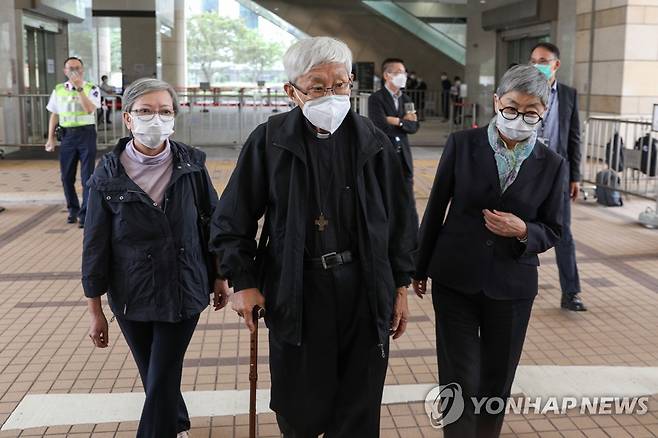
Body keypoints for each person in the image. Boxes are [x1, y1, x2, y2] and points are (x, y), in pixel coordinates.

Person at [211, 37, 418, 437]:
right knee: (300, 407)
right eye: (318, 87)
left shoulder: (372, 141)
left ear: (352, 83)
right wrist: (244, 282)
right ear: (292, 91)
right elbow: (231, 220)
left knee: (358, 408)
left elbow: (401, 221)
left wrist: (401, 285)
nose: (332, 95)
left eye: (340, 85)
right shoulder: (270, 140)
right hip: (297, 288)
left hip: (364, 286)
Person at [413, 65, 566, 438]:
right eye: (512, 108)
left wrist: (523, 231)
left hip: (513, 285)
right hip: (456, 278)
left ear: (543, 113)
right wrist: (418, 267)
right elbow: (436, 208)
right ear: (497, 101)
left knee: (496, 381)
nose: (519, 118)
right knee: (459, 378)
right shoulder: (462, 144)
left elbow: (555, 229)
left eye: (531, 112)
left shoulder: (553, 164)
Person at [81, 78, 227, 438]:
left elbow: (213, 224)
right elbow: (95, 244)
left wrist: (221, 276)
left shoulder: (191, 164)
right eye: (145, 112)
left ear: (174, 117)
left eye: (164, 111)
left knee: (162, 373)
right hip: (132, 294)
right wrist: (95, 309)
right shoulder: (106, 175)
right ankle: (176, 422)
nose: (155, 119)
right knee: (155, 373)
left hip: (185, 288)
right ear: (128, 119)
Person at [529, 42, 586, 311]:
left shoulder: (569, 95)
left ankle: (571, 293)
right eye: (533, 60)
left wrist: (575, 176)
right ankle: (518, 286)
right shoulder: (523, 89)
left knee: (563, 233)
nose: (537, 64)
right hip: (526, 171)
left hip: (557, 173)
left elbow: (574, 138)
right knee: (522, 229)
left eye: (543, 60)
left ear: (556, 64)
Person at [45, 56, 100, 228]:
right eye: (70, 68)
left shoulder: (91, 88)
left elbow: (90, 109)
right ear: (65, 71)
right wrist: (50, 137)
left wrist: (79, 89)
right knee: (66, 176)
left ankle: (85, 213)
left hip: (86, 134)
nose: (74, 71)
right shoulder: (59, 89)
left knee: (87, 177)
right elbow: (54, 114)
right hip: (67, 136)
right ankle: (73, 210)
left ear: (82, 70)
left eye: (77, 68)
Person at [367, 58, 420, 182]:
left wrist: (397, 121)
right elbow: (381, 126)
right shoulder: (376, 99)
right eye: (398, 72)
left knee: (406, 195)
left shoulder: (406, 99)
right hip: (384, 155)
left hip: (404, 156)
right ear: (387, 75)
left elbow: (414, 126)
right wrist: (404, 122)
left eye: (404, 73)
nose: (403, 76)